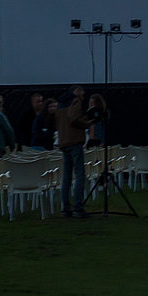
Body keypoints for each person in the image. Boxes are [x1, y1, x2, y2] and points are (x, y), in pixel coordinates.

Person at [56, 86, 95, 218]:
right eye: (81, 91)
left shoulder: (60, 103)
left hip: (63, 142)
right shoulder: (75, 101)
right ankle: (78, 207)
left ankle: (65, 208)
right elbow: (73, 118)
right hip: (74, 141)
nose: (84, 93)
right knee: (80, 174)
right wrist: (87, 123)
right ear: (76, 92)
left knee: (66, 177)